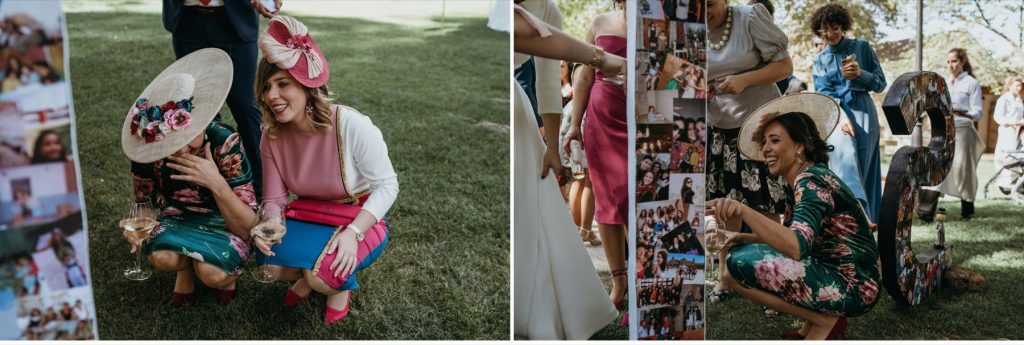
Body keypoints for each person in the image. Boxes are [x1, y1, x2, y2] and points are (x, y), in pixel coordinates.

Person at [249, 16, 397, 326]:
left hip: (357, 218)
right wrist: (271, 224)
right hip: (309, 213)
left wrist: (353, 234)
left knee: (322, 279)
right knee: (269, 264)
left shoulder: (350, 124)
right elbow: (275, 197)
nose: (271, 95)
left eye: (282, 84)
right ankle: (308, 271)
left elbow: (387, 187)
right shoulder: (271, 136)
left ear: (306, 84)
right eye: (266, 87)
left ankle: (332, 287)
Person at [709, 94, 880, 340]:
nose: (766, 148)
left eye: (775, 140)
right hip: (844, 274)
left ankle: (822, 322)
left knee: (736, 265)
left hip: (855, 287)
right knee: (737, 257)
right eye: (765, 141)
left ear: (799, 145)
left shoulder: (810, 182)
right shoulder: (806, 178)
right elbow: (788, 238)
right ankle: (818, 324)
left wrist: (743, 209)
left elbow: (796, 247)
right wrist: (738, 237)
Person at [513, 4, 623, 340]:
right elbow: (525, 32)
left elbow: (548, 80)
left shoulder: (549, 9)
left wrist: (551, 145)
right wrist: (600, 58)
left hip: (519, 109)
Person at [120, 49, 259, 307]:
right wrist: (140, 223)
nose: (181, 150)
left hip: (225, 216)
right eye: (171, 142)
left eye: (187, 137)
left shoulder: (224, 141)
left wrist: (215, 182)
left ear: (202, 120)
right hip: (179, 213)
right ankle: (186, 269)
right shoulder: (147, 148)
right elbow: (145, 206)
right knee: (161, 258)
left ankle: (218, 274)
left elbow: (248, 227)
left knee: (213, 274)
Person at [705, 0, 792, 300]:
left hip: (758, 125)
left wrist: (744, 80)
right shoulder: (687, 28)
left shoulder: (750, 16)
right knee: (723, 207)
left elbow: (785, 66)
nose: (705, 11)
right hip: (718, 128)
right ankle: (726, 276)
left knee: (765, 206)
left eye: (711, 4)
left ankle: (775, 278)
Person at [161, 0, 281, 193]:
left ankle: (264, 188)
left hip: (234, 21)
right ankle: (210, 185)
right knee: (198, 108)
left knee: (245, 105)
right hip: (186, 20)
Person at [560, 0, 630, 314]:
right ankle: (619, 281)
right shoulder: (601, 21)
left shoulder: (665, 22)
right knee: (606, 200)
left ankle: (645, 278)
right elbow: (585, 74)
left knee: (636, 199)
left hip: (647, 121)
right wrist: (574, 125)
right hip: (602, 121)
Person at [810, 3, 887, 223]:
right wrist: (840, 118)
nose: (830, 33)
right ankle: (854, 217)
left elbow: (880, 83)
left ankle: (869, 224)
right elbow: (824, 95)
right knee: (843, 162)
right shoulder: (820, 60)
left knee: (866, 168)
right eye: (825, 29)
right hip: (836, 116)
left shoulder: (862, 47)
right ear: (819, 30)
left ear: (843, 27)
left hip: (863, 112)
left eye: (834, 27)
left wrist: (861, 74)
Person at [928, 48, 984, 219]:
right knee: (938, 166)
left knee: (963, 170)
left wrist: (962, 112)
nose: (950, 65)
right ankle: (927, 211)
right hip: (943, 129)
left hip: (964, 131)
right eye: (948, 62)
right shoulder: (942, 83)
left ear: (962, 62)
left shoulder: (971, 83)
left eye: (954, 61)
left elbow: (978, 112)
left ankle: (967, 211)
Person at [993, 77, 1024, 191]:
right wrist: (1012, 122)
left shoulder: (1019, 99)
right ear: (1010, 86)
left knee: (1017, 155)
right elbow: (998, 117)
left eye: (1020, 86)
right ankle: (1003, 182)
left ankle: (1014, 181)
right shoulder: (1003, 99)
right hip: (1007, 130)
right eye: (1016, 85)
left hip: (1018, 131)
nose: (1019, 88)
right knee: (1005, 154)